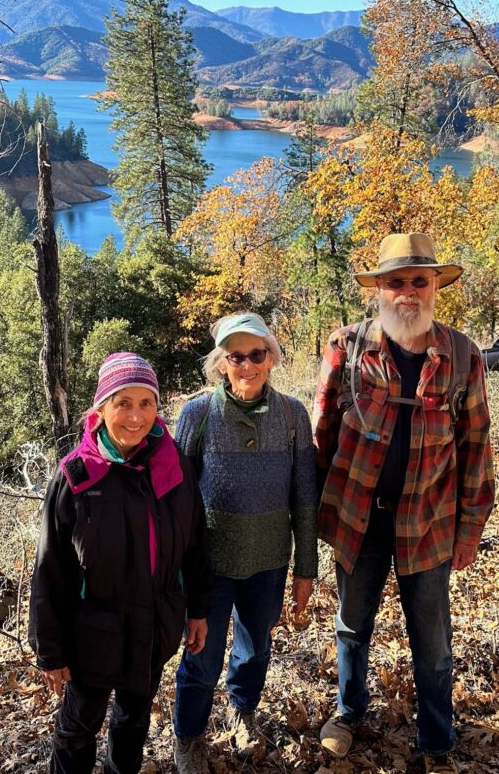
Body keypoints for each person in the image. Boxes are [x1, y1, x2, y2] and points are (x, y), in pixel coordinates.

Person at [313, 233, 496, 774]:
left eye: (420, 281)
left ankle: (436, 739)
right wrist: (313, 518)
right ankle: (348, 713)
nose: (408, 292)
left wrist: (470, 530)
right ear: (379, 290)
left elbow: (476, 448)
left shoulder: (462, 355)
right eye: (396, 282)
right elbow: (322, 435)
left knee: (433, 640)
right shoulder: (345, 349)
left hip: (430, 522)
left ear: (436, 285)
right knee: (352, 624)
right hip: (357, 519)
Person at [29, 352, 211, 774]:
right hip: (91, 634)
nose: (135, 416)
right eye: (122, 402)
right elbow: (49, 569)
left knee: (133, 722)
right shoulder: (76, 477)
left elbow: (196, 543)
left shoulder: (174, 465)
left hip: (154, 628)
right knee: (78, 728)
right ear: (101, 408)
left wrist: (199, 609)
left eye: (146, 403)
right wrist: (50, 651)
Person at [170, 313, 319, 773]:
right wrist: (175, 572)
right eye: (237, 357)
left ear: (271, 358)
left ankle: (243, 710)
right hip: (209, 567)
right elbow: (176, 501)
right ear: (221, 363)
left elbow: (305, 498)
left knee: (255, 649)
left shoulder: (293, 415)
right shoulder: (197, 414)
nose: (248, 365)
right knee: (202, 655)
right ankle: (188, 735)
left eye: (257, 355)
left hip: (269, 561)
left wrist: (306, 569)